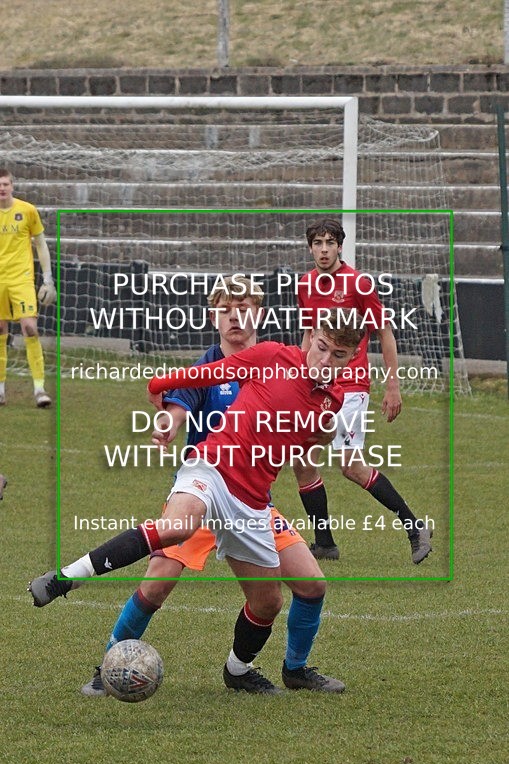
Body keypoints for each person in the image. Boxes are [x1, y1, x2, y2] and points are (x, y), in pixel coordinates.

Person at [29, 310, 364, 693]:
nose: (324, 359)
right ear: (310, 337)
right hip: (210, 470)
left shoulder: (332, 399)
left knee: (272, 601)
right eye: (321, 347)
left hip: (252, 503)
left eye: (337, 355)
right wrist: (161, 384)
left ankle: (241, 672)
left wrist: (324, 435)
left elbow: (307, 441)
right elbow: (208, 374)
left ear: (351, 357)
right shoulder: (272, 357)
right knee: (175, 534)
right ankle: (65, 580)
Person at [294, 217, 432, 564]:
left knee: (350, 466)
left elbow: (385, 333)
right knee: (302, 456)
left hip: (351, 384)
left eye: (330, 243)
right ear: (310, 248)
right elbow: (310, 336)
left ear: (340, 246)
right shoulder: (307, 284)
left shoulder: (357, 284)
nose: (324, 249)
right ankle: (324, 542)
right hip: (320, 382)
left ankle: (415, 526)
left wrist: (393, 386)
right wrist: (299, 374)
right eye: (317, 243)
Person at [0, 168, 56, 408]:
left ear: (12, 186)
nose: (2, 189)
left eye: (5, 184)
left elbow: (41, 246)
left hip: (21, 279)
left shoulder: (27, 210)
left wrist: (48, 280)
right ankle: (0, 391)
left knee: (30, 327)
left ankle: (39, 389)